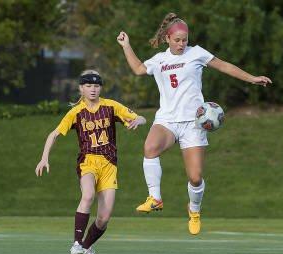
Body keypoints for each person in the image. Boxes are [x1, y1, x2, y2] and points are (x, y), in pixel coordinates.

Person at [116, 13, 272, 235]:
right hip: (167, 119)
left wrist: (252, 78)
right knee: (150, 148)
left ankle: (194, 210)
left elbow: (224, 66)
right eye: (177, 40)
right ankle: (155, 198)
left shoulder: (196, 53)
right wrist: (126, 45)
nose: (182, 44)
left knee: (195, 177)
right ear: (167, 39)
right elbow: (139, 69)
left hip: (193, 124)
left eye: (185, 40)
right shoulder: (159, 59)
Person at [35, 70, 146, 254]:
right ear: (81, 88)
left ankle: (87, 247)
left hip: (109, 164)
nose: (93, 89)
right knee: (88, 195)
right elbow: (53, 134)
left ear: (100, 88)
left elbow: (141, 118)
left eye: (96, 86)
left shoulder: (111, 106)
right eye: (88, 86)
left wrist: (137, 120)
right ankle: (77, 243)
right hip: (88, 161)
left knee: (104, 218)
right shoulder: (76, 112)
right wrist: (44, 157)